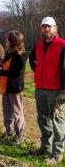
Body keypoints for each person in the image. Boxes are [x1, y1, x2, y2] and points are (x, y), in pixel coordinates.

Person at [29, 17, 65, 165]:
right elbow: (32, 60)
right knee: (43, 119)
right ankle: (45, 147)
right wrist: (37, 71)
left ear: (55, 28)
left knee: (57, 121)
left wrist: (64, 90)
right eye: (44, 26)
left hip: (56, 90)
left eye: (49, 27)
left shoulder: (62, 45)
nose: (46, 29)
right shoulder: (38, 44)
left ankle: (57, 154)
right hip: (40, 88)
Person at [0, 30, 27, 145]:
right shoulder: (9, 53)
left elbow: (14, 73)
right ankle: (10, 132)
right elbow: (4, 68)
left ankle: (19, 135)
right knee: (7, 110)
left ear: (13, 41)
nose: (6, 41)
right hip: (5, 87)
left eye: (8, 39)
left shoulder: (20, 56)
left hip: (15, 88)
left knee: (17, 112)